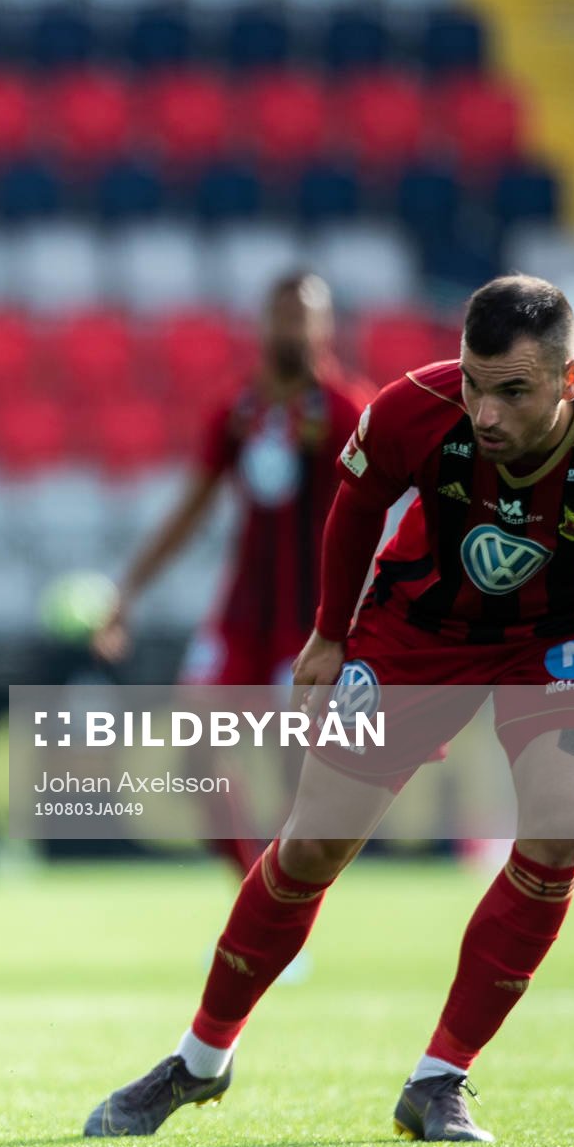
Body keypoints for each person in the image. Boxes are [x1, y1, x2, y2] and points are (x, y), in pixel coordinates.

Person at [83, 274, 574, 1143]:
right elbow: (358, 503)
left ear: (569, 381)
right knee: (313, 842)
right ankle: (199, 1061)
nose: (486, 412)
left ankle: (440, 1079)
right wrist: (329, 634)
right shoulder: (414, 407)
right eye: (475, 382)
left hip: (572, 637)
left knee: (555, 832)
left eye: (513, 391)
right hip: (420, 628)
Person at [92, 272, 370, 873]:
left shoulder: (349, 411)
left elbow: (380, 514)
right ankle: (251, 890)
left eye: (305, 315)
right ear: (263, 322)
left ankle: (285, 919)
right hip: (242, 619)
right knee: (195, 746)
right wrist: (129, 589)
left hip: (312, 626)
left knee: (297, 777)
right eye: (282, 314)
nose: (292, 327)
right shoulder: (239, 411)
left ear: (326, 327)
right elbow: (191, 509)